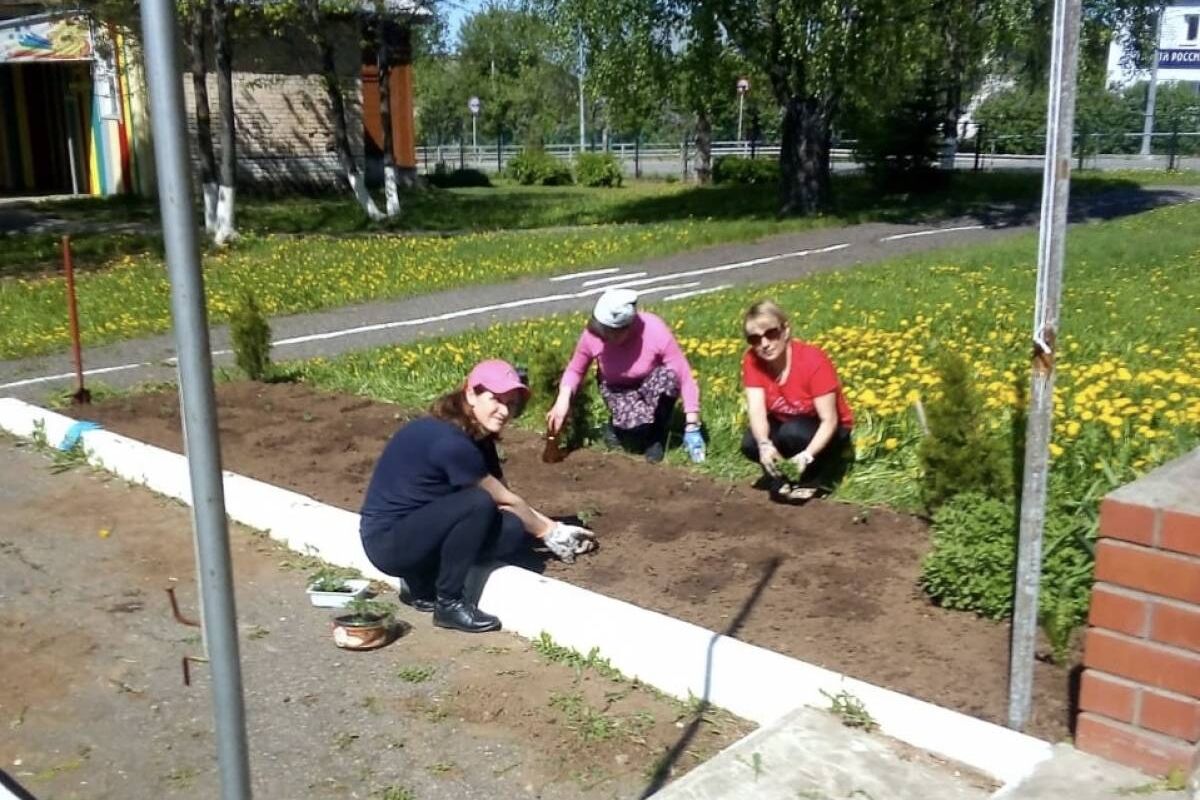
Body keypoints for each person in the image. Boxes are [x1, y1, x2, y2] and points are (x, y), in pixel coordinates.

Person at [359, 359, 595, 633]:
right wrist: (550, 533)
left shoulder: (475, 436)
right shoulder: (450, 442)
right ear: (471, 393)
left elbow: (506, 496)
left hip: (414, 532)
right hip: (388, 545)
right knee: (477, 503)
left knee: (510, 528)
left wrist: (551, 528)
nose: (504, 410)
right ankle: (449, 603)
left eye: (511, 403)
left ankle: (421, 584)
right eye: (495, 399)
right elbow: (498, 499)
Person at [546, 288, 705, 464]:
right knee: (635, 431)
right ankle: (617, 429)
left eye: (609, 332)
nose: (603, 336)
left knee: (669, 377)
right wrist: (563, 400)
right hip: (617, 389)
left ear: (625, 328)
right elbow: (575, 370)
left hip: (650, 383)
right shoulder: (593, 337)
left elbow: (684, 375)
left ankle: (657, 435)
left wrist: (692, 426)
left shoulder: (654, 329)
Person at [740, 300, 854, 503]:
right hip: (786, 421)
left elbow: (829, 420)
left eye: (771, 334)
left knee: (793, 433)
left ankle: (814, 476)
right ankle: (780, 473)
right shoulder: (752, 361)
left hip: (826, 428)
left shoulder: (813, 360)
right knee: (751, 443)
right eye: (755, 339)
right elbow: (756, 410)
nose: (764, 344)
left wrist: (808, 455)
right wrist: (765, 445)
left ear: (785, 331)